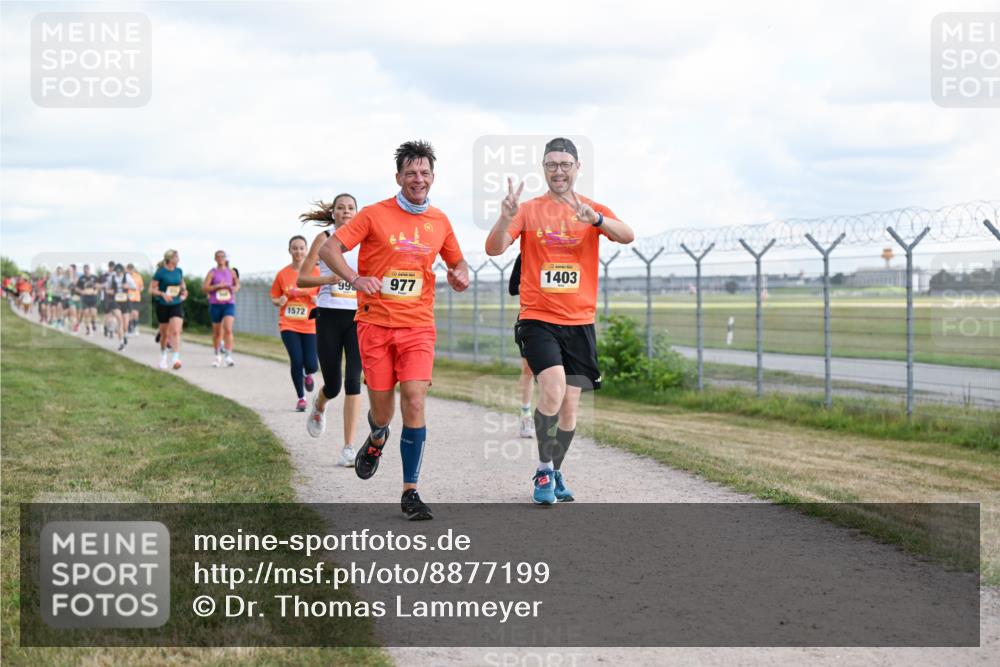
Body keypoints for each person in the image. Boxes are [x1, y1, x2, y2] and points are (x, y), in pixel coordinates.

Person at [318, 140, 470, 521]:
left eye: (424, 173)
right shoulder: (373, 215)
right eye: (411, 173)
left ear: (433, 177)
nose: (418, 179)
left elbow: (458, 262)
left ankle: (410, 491)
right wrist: (355, 277)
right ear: (398, 177)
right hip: (375, 324)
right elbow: (329, 250)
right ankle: (377, 436)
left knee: (415, 401)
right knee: (383, 412)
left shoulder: (440, 221)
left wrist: (460, 274)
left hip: (418, 326)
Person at [485, 137, 635, 505]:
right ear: (543, 168)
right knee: (551, 388)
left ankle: (555, 467)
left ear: (577, 168)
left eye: (565, 164)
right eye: (551, 164)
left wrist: (596, 220)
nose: (559, 171)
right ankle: (542, 471)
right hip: (538, 318)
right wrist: (505, 217)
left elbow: (628, 235)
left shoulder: (591, 209)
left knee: (570, 404)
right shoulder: (530, 210)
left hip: (580, 321)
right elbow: (494, 248)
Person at [298, 194, 364, 467]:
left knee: (353, 381)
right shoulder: (324, 238)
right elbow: (303, 278)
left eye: (351, 208)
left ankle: (349, 447)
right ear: (334, 213)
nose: (346, 212)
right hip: (328, 314)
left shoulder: (364, 239)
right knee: (334, 385)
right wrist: (330, 278)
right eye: (341, 208)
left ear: (357, 213)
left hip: (358, 316)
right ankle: (319, 404)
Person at [271, 236, 320, 411]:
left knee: (312, 364)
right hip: (288, 324)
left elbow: (324, 296)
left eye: (301, 248)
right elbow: (274, 298)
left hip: (310, 324)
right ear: (289, 250)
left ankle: (308, 374)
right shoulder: (283, 274)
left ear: (306, 250)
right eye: (294, 248)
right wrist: (280, 301)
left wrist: (316, 298)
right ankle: (301, 398)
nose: (298, 252)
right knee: (296, 360)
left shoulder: (316, 272)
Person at [150, 249, 187, 370]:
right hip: (163, 305)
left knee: (176, 331)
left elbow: (182, 286)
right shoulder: (160, 272)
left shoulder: (179, 271)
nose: (178, 259)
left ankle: (176, 358)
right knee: (164, 334)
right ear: (170, 259)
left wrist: (184, 293)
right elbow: (151, 290)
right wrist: (162, 294)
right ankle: (163, 356)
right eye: (176, 257)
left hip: (176, 303)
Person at [205, 250, 239, 367]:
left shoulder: (231, 272)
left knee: (228, 329)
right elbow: (205, 288)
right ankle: (217, 355)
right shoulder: (212, 273)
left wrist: (234, 288)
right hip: (215, 304)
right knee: (217, 332)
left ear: (225, 258)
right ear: (215, 259)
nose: (220, 258)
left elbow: (237, 284)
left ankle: (228, 356)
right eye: (218, 257)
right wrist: (217, 286)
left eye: (222, 256)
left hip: (229, 303)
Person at [108, 263, 137, 351]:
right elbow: (107, 289)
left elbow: (135, 287)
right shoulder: (111, 277)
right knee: (120, 320)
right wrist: (111, 291)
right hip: (115, 301)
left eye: (120, 272)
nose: (118, 274)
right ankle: (121, 343)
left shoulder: (127, 277)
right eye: (117, 272)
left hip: (125, 301)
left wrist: (128, 286)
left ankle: (123, 335)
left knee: (125, 324)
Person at [75, 264, 99, 334]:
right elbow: (76, 288)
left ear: (89, 269)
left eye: (87, 269)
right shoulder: (81, 278)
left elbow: (98, 286)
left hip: (93, 297)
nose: (85, 271)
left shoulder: (94, 277)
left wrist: (96, 291)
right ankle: (88, 329)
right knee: (86, 314)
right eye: (84, 269)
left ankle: (93, 322)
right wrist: (81, 291)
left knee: (93, 312)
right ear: (83, 270)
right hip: (85, 298)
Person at [126, 263, 144, 334]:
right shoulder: (125, 276)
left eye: (131, 269)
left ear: (133, 269)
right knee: (130, 313)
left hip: (136, 297)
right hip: (128, 297)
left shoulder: (138, 276)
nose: (130, 270)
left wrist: (140, 289)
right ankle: (130, 328)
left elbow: (142, 286)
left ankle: (135, 327)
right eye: (129, 269)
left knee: (136, 313)